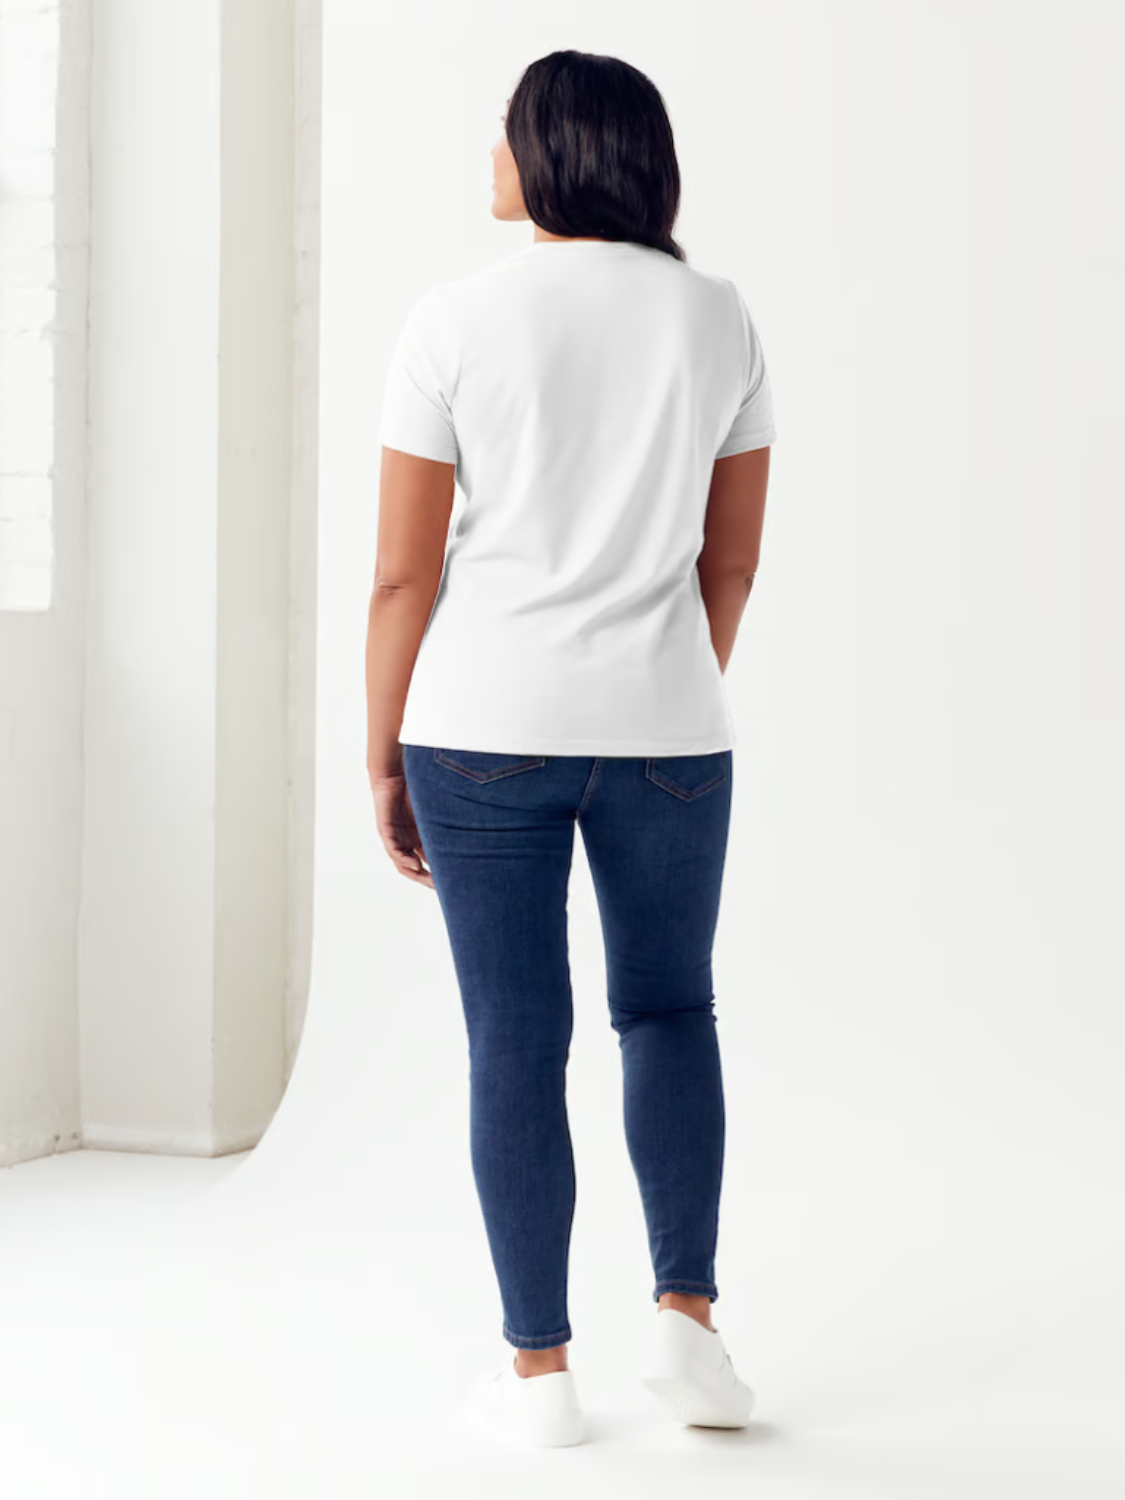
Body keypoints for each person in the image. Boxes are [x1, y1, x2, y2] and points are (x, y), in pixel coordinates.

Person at [365, 49, 776, 1447]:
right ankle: (688, 1327)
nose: (490, 154)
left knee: (514, 1038)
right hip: (671, 730)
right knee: (669, 1012)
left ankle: (538, 1376)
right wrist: (661, 691)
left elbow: (401, 579)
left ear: (553, 150)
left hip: (478, 728)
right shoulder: (719, 317)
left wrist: (382, 756)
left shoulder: (452, 321)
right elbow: (732, 563)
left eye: (505, 131)